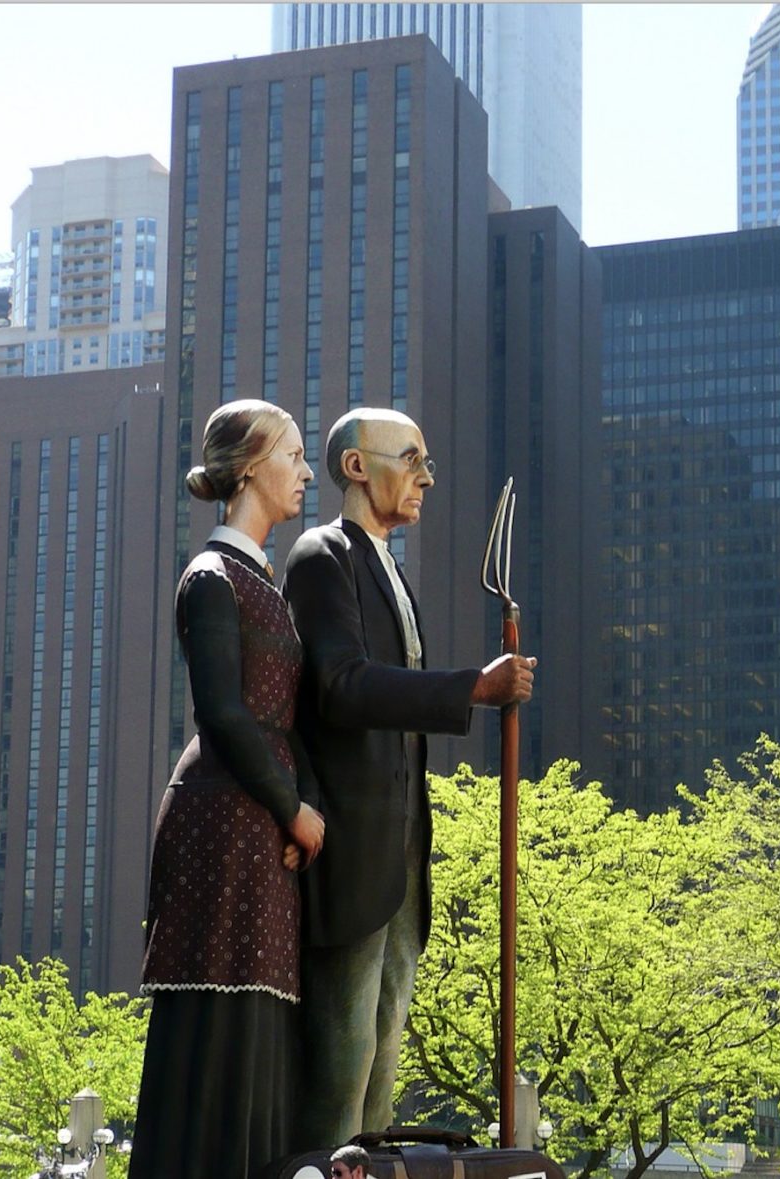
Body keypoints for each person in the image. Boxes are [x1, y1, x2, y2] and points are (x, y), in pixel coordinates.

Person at [284, 406, 536, 1147]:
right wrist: (472, 689)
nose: (426, 474)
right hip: (352, 857)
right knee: (341, 1071)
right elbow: (342, 686)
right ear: (358, 466)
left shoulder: (389, 568)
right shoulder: (320, 556)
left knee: (382, 1064)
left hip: (399, 861)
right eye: (411, 457)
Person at [129, 399, 326, 1179]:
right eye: (294, 454)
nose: (306, 471)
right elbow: (224, 714)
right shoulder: (211, 576)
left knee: (257, 1026)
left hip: (259, 822)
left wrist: (294, 804)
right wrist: (296, 807)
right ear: (250, 468)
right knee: (217, 1024)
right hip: (222, 822)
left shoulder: (261, 581)